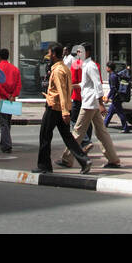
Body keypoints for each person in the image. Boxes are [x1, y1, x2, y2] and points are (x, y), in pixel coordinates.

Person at [60, 43, 121, 169]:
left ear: (86, 52)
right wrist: (74, 86)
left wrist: (100, 104)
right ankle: (113, 159)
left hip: (89, 103)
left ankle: (67, 158)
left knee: (77, 131)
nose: (78, 55)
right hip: (91, 103)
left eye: (80, 52)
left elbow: (97, 84)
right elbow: (85, 84)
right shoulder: (86, 65)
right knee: (101, 132)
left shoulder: (90, 66)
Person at [36, 44, 91, 174]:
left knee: (44, 136)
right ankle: (84, 160)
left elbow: (62, 91)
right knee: (67, 137)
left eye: (50, 53)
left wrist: (65, 111)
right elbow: (68, 89)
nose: (48, 56)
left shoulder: (58, 70)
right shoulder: (64, 68)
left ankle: (44, 166)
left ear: (54, 54)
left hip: (55, 107)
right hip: (61, 107)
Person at [0, 48, 21, 153]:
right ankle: (4, 142)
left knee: (3, 123)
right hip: (11, 98)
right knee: (7, 121)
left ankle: (6, 144)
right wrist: (12, 95)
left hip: (2, 98)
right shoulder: (15, 69)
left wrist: (6, 94)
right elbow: (18, 84)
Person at [104, 61, 131, 134]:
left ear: (109, 68)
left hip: (116, 98)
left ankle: (103, 127)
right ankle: (103, 127)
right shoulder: (113, 75)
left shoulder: (113, 76)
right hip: (117, 97)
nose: (106, 68)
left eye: (107, 67)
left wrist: (108, 97)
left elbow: (113, 88)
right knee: (111, 112)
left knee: (118, 113)